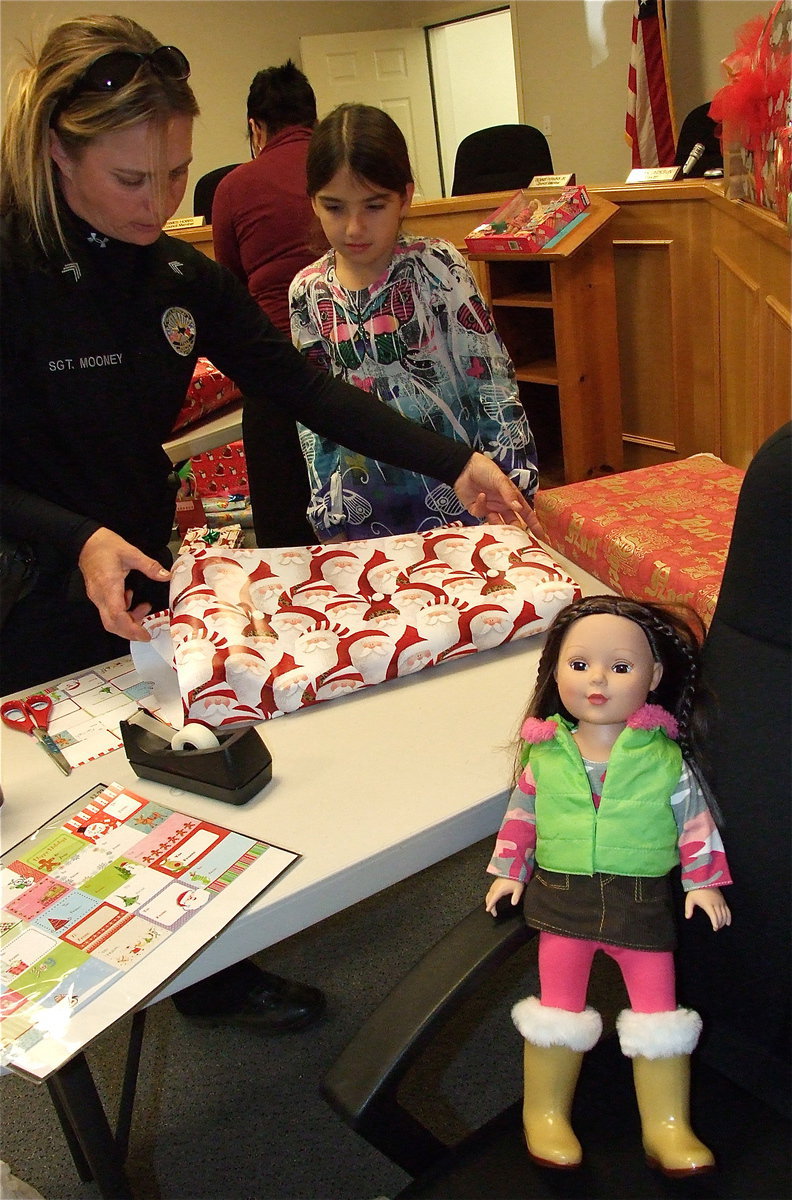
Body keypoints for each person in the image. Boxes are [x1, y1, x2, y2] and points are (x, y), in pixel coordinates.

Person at [0, 14, 532, 1031]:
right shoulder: (9, 270)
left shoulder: (175, 276)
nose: (162, 206)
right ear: (58, 152)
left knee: (164, 761)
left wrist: (457, 460)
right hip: (25, 568)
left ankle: (204, 974)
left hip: (135, 554)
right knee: (45, 810)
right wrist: (73, 539)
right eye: (130, 181)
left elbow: (304, 387)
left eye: (177, 177)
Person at [484, 595, 732, 1176]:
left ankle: (667, 1126)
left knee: (659, 1015)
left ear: (654, 678)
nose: (597, 680)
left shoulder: (666, 758)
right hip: (560, 897)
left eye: (620, 667)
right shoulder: (545, 754)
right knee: (557, 1009)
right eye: (579, 665)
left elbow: (695, 822)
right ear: (555, 672)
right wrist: (507, 871)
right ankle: (544, 1113)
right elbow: (521, 818)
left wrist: (704, 882)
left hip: (640, 903)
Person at [289, 102, 539, 542]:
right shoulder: (307, 292)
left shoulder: (438, 267)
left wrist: (513, 485)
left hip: (464, 497)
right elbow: (313, 419)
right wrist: (328, 510)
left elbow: (492, 381)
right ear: (312, 200)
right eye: (333, 207)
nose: (353, 227)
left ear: (404, 196)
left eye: (374, 205)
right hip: (364, 507)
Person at [211, 60, 320, 546]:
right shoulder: (342, 169)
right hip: (354, 350)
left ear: (256, 127)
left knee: (282, 523)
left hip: (275, 361)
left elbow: (230, 286)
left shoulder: (234, 186)